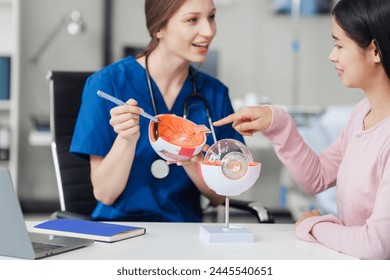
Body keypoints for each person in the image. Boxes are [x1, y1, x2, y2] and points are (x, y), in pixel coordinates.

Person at [214, 0, 390, 259]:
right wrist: (277, 121)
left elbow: (377, 244)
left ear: (375, 50)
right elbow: (317, 177)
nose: (332, 55)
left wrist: (314, 226)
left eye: (339, 45)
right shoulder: (361, 114)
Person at [70, 0, 243, 222]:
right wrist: (126, 139)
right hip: (119, 231)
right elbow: (104, 194)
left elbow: (221, 196)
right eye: (192, 20)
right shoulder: (107, 83)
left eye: (211, 17)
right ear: (158, 28)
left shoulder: (214, 93)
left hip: (185, 236)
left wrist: (194, 158)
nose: (208, 31)